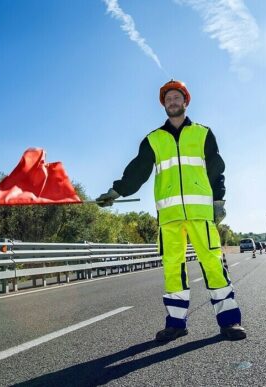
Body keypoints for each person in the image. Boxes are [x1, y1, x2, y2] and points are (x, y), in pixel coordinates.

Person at [96, 79, 246, 342]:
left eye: (177, 98)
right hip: (170, 218)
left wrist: (219, 201)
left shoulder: (203, 133)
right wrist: (115, 192)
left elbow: (216, 169)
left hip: (201, 216)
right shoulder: (154, 140)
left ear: (185, 101)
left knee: (213, 265)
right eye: (168, 99)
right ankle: (176, 324)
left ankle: (230, 322)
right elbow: (137, 172)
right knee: (172, 269)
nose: (172, 102)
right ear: (164, 105)